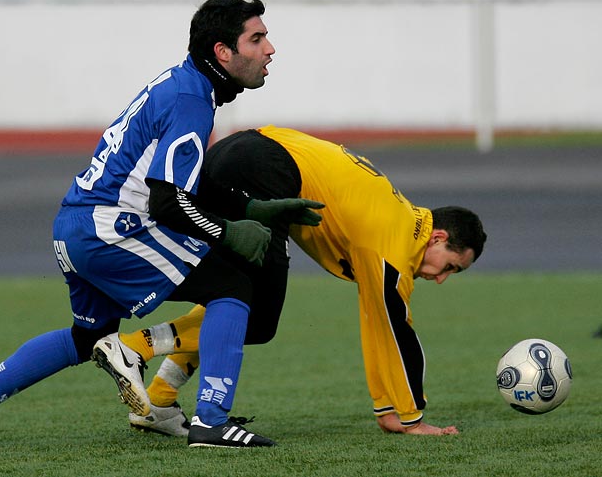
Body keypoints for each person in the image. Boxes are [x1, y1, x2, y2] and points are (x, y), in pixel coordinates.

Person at [0, 0, 324, 449]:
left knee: (87, 337)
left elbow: (178, 183)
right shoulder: (191, 99)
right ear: (222, 51)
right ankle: (211, 422)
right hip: (112, 229)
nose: (269, 48)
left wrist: (252, 209)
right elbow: (167, 202)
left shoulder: (182, 83)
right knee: (233, 285)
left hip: (73, 227)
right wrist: (229, 231)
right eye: (257, 38)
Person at [115, 125, 487, 438]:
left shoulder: (398, 221)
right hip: (262, 169)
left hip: (238, 152)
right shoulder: (395, 243)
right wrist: (413, 420)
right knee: (258, 319)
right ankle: (134, 347)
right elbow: (395, 332)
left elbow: (376, 320)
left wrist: (388, 410)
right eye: (452, 266)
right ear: (437, 238)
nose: (441, 278)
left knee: (232, 296)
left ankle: (159, 399)